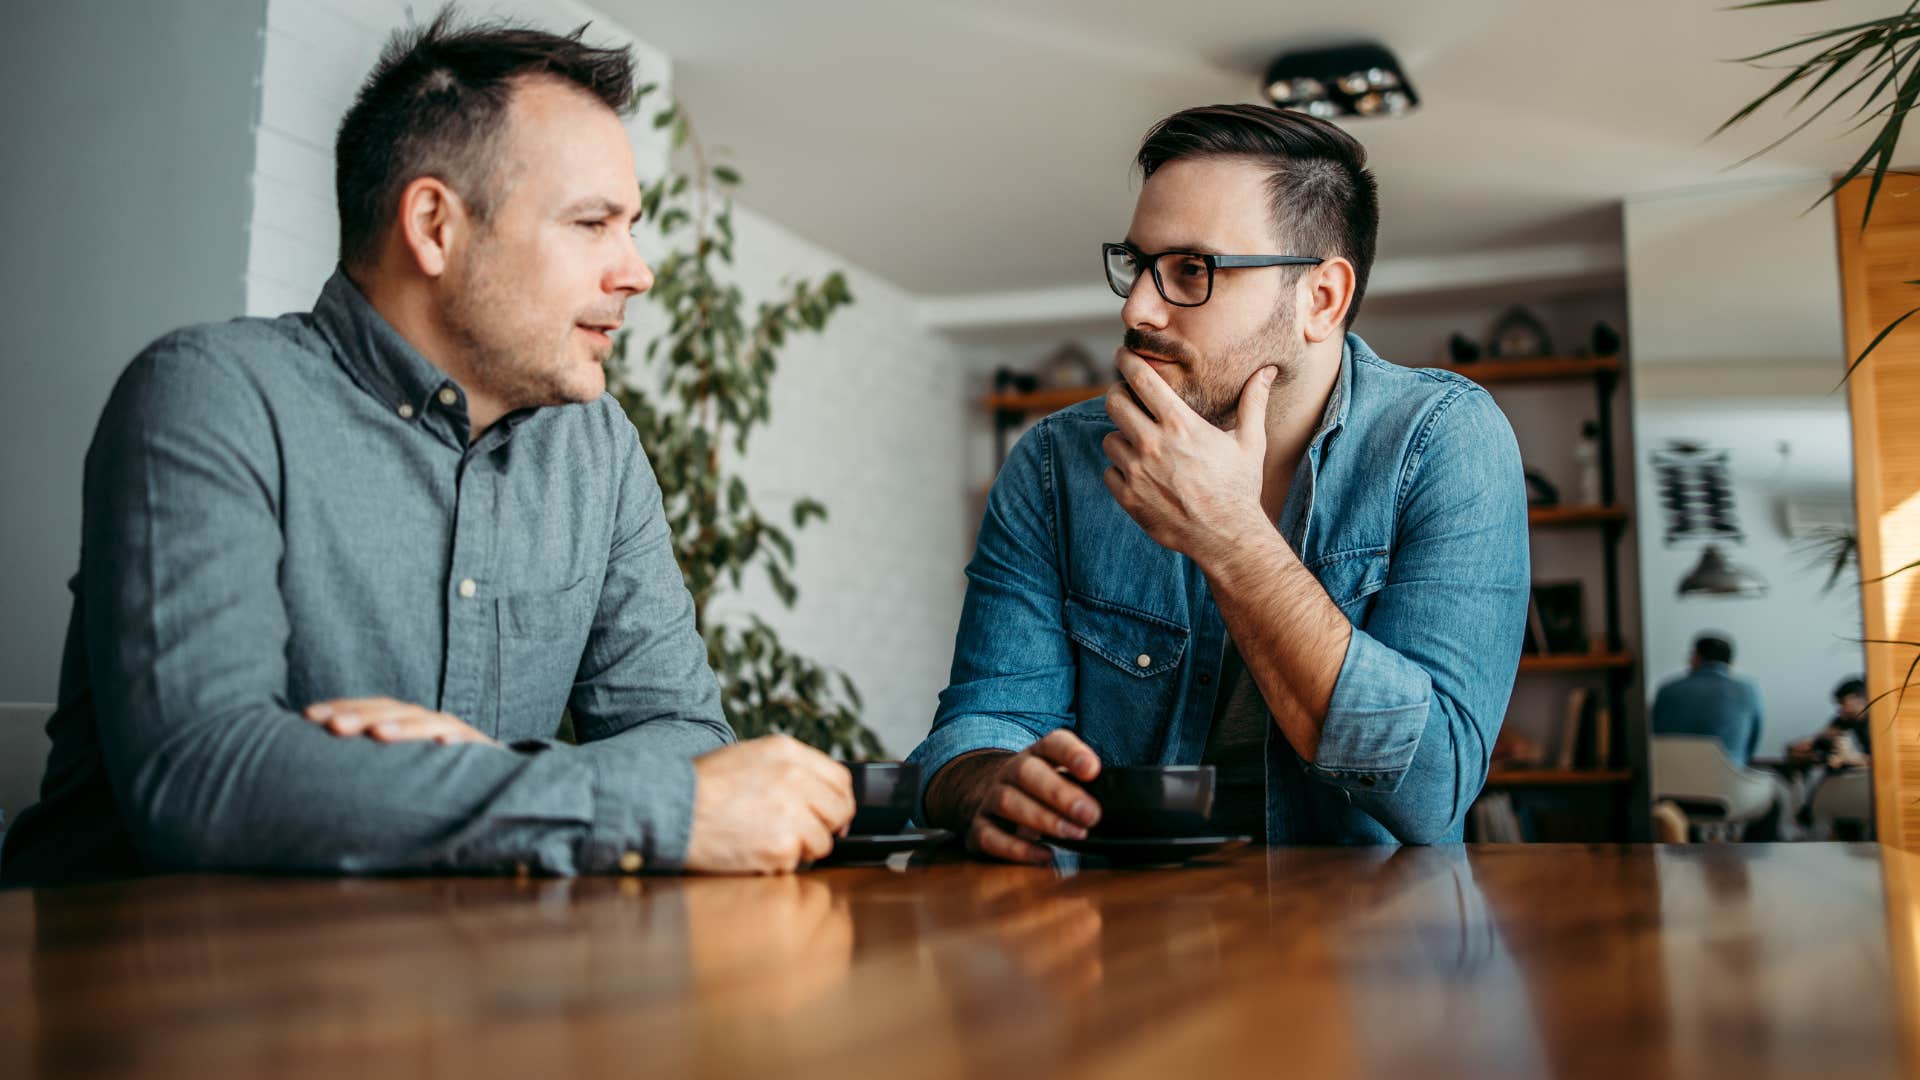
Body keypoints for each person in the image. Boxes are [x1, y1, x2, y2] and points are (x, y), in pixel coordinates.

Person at [0, 15, 853, 887]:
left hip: (432, 981)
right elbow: (207, 779)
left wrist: (479, 772)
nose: (636, 271)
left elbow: (685, 735)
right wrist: (546, 788)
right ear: (435, 226)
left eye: (630, 226)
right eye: (594, 223)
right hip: (133, 985)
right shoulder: (208, 396)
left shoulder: (597, 449)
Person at [908, 104, 1532, 861]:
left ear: (1321, 299)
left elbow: (1433, 790)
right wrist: (986, 779)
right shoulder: (1055, 465)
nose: (1138, 307)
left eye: (1191, 270)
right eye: (1137, 265)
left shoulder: (1444, 442)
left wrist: (1230, 536)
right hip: (1115, 941)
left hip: (1368, 948)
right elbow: (983, 724)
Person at [1649, 634, 1764, 765]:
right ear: (1729, 662)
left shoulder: (1668, 689)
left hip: (1674, 774)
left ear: (1696, 657)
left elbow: (1656, 734)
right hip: (1729, 778)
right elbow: (1751, 742)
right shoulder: (1748, 691)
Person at [1788, 676, 1870, 767]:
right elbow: (1820, 737)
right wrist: (1804, 747)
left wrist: (1853, 759)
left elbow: (1884, 762)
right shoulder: (1843, 721)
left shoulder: (1879, 723)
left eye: (1843, 703)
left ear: (1861, 699)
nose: (1840, 710)